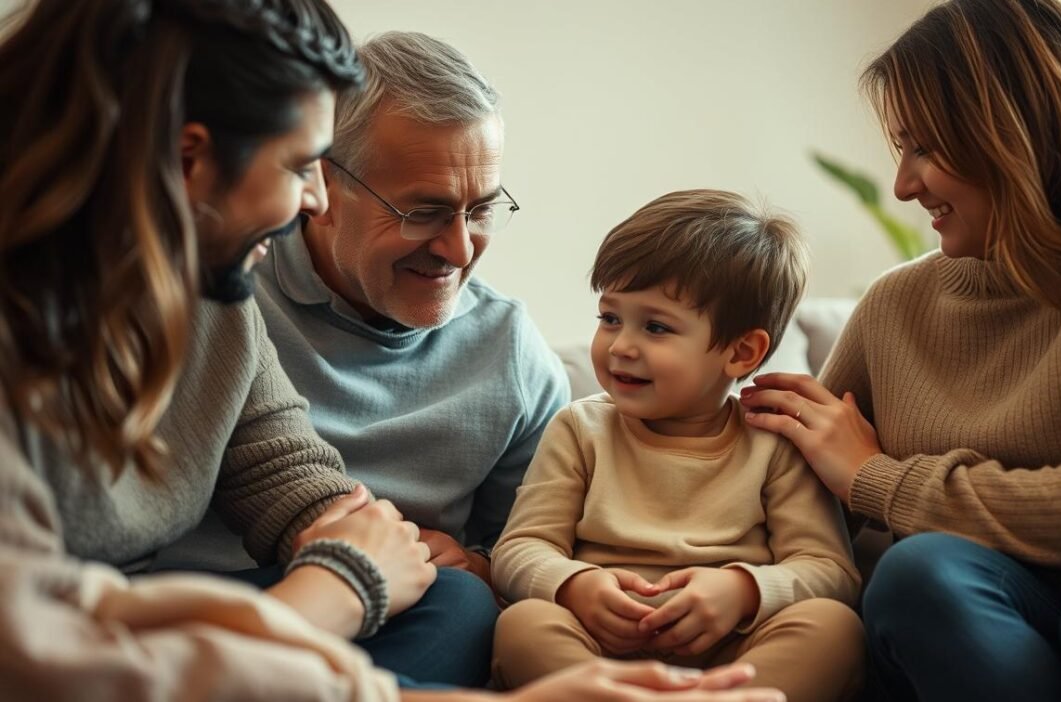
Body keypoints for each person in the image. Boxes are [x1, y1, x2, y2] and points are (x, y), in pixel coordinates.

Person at [0, 1, 785, 700]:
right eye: (300, 167)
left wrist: (405, 559)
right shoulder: (204, 287)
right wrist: (344, 580)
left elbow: (287, 475)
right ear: (188, 159)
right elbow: (57, 653)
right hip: (159, 630)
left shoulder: (212, 297)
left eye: (481, 209)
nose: (309, 198)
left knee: (454, 599)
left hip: (193, 630)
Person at [739, 1, 1061, 700]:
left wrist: (880, 479)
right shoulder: (896, 306)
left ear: (1007, 128)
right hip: (1000, 612)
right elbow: (784, 512)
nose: (903, 185)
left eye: (924, 147)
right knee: (921, 574)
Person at [158, 30, 568, 586]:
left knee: (460, 603)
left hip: (398, 607)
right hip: (213, 599)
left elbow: (538, 551)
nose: (460, 249)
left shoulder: (511, 351)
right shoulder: (221, 286)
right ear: (321, 185)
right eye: (424, 212)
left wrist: (477, 565)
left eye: (481, 211)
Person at [491, 190, 865, 702]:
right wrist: (574, 584)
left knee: (833, 626)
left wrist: (744, 591)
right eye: (610, 318)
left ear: (741, 352)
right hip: (600, 655)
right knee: (524, 624)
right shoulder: (580, 429)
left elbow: (831, 571)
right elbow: (518, 549)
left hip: (731, 654)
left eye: (656, 327)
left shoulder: (773, 442)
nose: (621, 345)